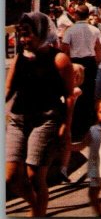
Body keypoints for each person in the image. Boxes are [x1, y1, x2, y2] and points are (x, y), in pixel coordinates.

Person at [6, 12, 75, 217]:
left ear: (42, 32)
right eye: (21, 34)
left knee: (35, 175)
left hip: (45, 120)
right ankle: (37, 207)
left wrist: (66, 126)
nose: (23, 40)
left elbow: (69, 95)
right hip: (18, 120)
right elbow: (8, 89)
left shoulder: (59, 59)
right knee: (11, 178)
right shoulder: (20, 59)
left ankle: (37, 213)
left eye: (28, 34)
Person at [61, 3, 101, 141]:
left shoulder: (70, 30)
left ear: (76, 15)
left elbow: (65, 49)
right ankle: (87, 126)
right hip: (90, 62)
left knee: (75, 93)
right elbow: (98, 49)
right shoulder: (95, 30)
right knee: (88, 93)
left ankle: (76, 126)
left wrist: (67, 65)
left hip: (75, 62)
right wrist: (96, 63)